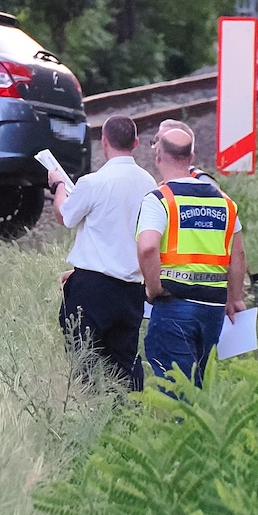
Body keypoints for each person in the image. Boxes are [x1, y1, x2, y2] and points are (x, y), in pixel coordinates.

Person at [47, 115, 159, 390]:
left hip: (92, 288)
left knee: (83, 360)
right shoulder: (150, 185)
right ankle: (129, 422)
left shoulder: (93, 182)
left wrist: (59, 186)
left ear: (104, 141)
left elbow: (65, 216)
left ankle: (90, 415)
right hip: (131, 289)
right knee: (125, 364)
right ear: (135, 143)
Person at [136, 127, 248, 388]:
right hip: (213, 308)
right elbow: (238, 253)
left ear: (159, 157)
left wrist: (153, 288)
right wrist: (235, 298)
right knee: (202, 384)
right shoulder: (225, 202)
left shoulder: (160, 199)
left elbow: (148, 248)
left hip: (175, 304)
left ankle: (181, 429)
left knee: (177, 389)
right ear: (192, 156)